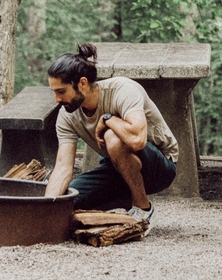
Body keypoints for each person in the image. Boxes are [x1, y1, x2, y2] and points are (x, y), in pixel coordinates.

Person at [44, 43, 178, 233]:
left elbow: (137, 140)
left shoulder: (123, 90)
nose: (57, 99)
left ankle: (144, 209)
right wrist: (45, 208)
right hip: (117, 169)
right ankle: (123, 200)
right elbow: (63, 167)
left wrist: (108, 119)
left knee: (112, 136)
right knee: (68, 201)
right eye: (54, 92)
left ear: (82, 83)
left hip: (160, 167)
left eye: (61, 91)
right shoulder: (67, 115)